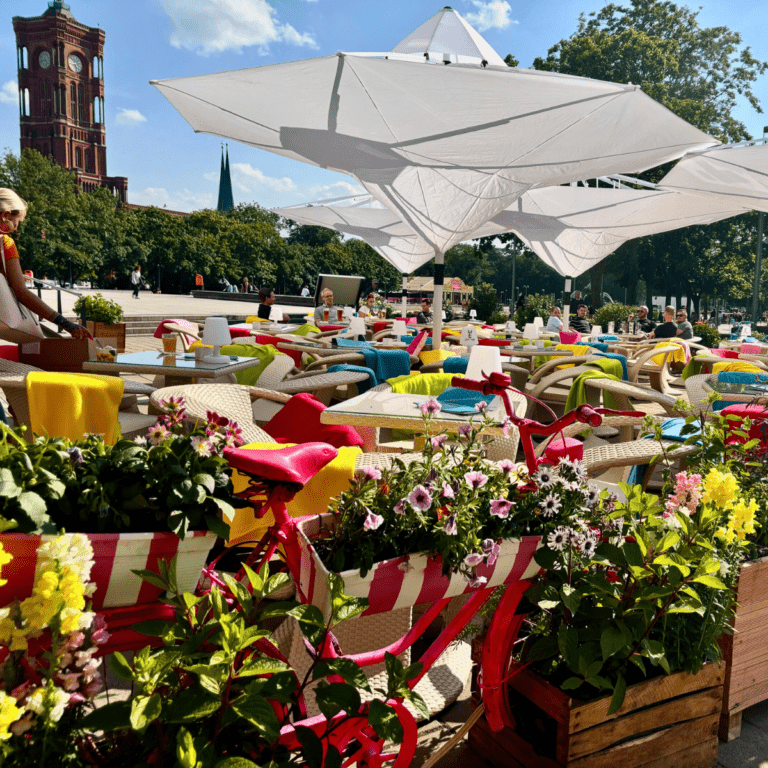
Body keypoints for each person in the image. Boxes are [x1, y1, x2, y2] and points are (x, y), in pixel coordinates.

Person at [0, 189, 88, 338]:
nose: (16, 229)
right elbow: (21, 292)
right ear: (5, 216)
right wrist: (66, 324)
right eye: (17, 223)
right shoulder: (5, 243)